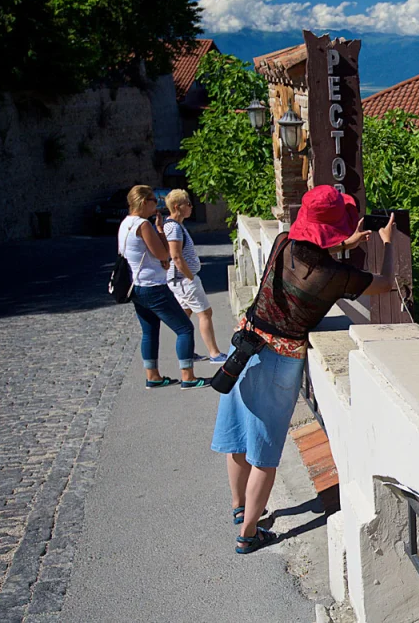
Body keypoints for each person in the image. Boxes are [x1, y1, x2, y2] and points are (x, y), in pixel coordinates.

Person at [211, 185, 396, 554]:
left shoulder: (282, 243)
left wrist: (343, 241)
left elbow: (309, 255)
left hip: (246, 349)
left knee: (238, 440)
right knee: (265, 452)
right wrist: (387, 243)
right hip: (281, 362)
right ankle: (248, 534)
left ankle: (238, 509)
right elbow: (386, 284)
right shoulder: (336, 276)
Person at [117, 185, 211, 390]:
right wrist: (159, 230)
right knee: (184, 328)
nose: (156, 205)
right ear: (143, 203)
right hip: (154, 287)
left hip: (137, 286)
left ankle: (153, 376)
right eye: (153, 201)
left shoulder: (125, 224)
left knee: (149, 331)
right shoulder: (143, 225)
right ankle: (188, 377)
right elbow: (163, 254)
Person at [163, 189, 226, 364]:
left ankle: (187, 353)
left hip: (180, 280)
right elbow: (176, 256)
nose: (191, 207)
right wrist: (190, 277)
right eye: (188, 204)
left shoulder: (175, 225)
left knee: (184, 318)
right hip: (184, 280)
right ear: (177, 207)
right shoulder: (174, 228)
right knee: (205, 313)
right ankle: (214, 354)